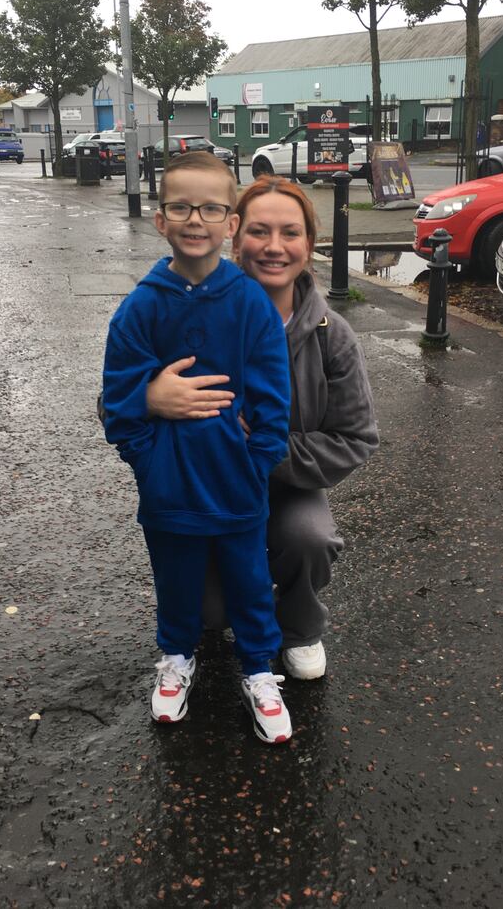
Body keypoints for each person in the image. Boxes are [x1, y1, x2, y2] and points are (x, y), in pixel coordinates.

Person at [146, 175, 378, 681]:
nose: (274, 247)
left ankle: (299, 627)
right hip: (205, 490)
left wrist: (263, 448)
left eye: (290, 233)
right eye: (259, 231)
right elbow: (110, 402)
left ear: (309, 246)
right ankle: (231, 604)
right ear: (235, 236)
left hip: (287, 487)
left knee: (308, 537)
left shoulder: (331, 336)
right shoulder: (183, 312)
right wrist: (150, 397)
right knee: (212, 617)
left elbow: (356, 437)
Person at [102, 152, 294, 744]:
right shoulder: (140, 307)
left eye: (211, 208)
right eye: (181, 207)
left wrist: (253, 462)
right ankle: (176, 658)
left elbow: (271, 399)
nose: (196, 220)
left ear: (230, 223)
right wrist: (150, 458)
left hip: (237, 486)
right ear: (160, 219)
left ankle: (260, 670)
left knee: (249, 581)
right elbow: (117, 403)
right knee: (176, 579)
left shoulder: (250, 305)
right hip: (169, 488)